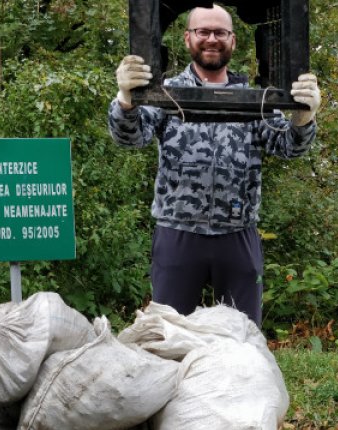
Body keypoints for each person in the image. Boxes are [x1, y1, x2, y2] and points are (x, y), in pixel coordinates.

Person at [108, 4, 321, 327]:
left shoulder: (257, 99)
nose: (211, 39)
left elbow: (288, 148)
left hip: (237, 235)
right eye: (203, 32)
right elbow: (130, 137)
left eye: (220, 32)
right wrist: (125, 98)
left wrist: (304, 116)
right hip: (177, 233)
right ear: (187, 38)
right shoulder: (166, 94)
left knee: (242, 338)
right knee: (167, 338)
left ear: (233, 41)